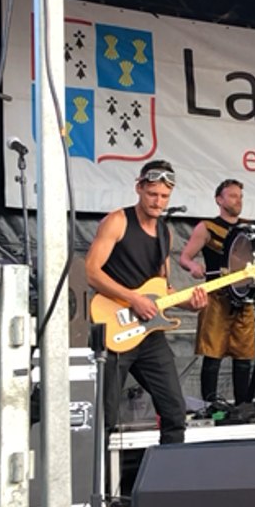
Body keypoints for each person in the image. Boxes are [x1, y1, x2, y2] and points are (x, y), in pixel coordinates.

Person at [85, 160, 207, 445]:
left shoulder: (166, 232)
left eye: (164, 196)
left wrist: (191, 303)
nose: (158, 202)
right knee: (104, 418)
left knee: (175, 412)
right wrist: (132, 299)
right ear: (139, 188)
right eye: (153, 194)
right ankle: (96, 487)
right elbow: (90, 271)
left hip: (149, 335)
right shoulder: (117, 221)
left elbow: (161, 289)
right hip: (113, 328)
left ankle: (168, 482)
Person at [177, 179, 255, 406]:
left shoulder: (248, 228)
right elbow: (184, 257)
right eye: (232, 196)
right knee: (212, 356)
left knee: (244, 358)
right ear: (219, 200)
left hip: (243, 299)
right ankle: (210, 407)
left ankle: (243, 407)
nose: (238, 200)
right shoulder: (207, 227)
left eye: (240, 196)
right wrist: (193, 267)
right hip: (216, 297)